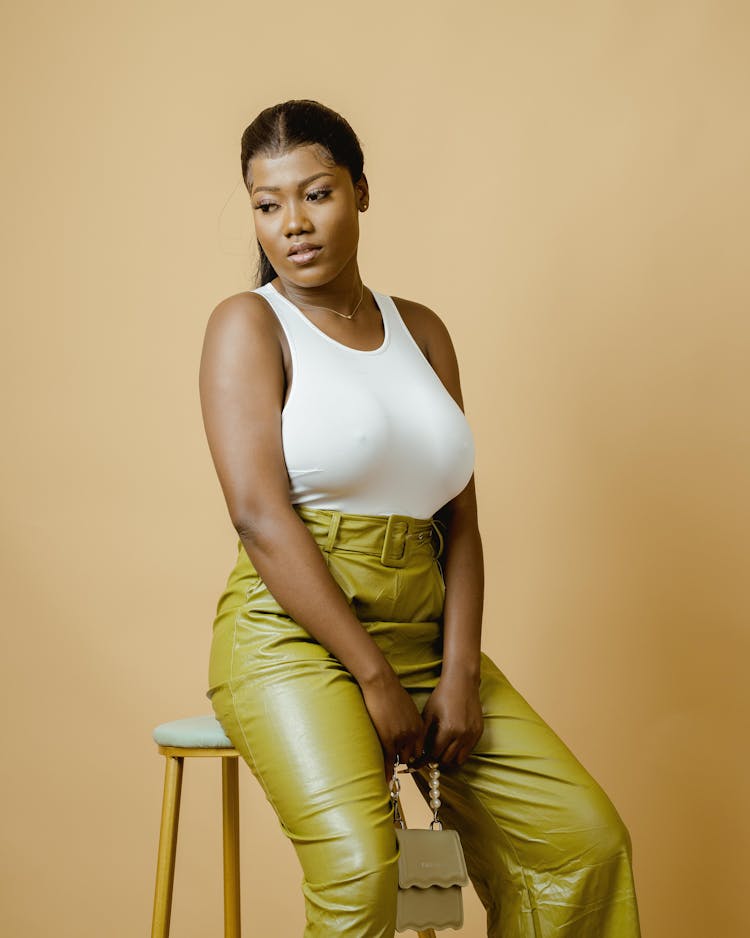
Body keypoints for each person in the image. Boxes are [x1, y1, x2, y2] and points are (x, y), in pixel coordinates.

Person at [199, 99, 642, 938]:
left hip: (428, 634)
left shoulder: (423, 331)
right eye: (267, 204)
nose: (292, 223)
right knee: (366, 874)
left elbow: (460, 523)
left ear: (362, 192)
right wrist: (372, 676)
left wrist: (461, 673)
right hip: (297, 640)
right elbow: (259, 518)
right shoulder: (250, 325)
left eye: (317, 193)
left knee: (582, 840)